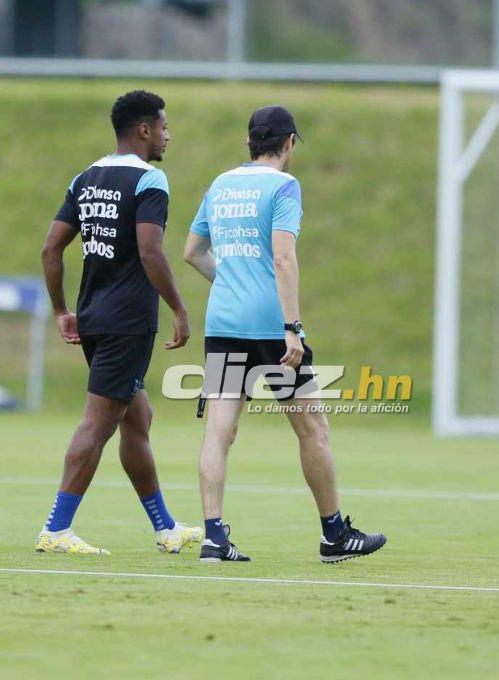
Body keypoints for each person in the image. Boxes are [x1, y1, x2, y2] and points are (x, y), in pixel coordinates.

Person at [183, 105, 387, 563]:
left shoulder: (221, 184)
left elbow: (193, 253)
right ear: (289, 143)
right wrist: (292, 328)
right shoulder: (284, 186)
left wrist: (231, 283)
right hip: (270, 327)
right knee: (312, 428)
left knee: (219, 432)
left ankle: (214, 537)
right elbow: (283, 259)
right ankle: (334, 535)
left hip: (223, 323)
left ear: (248, 143)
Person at [36, 90, 202, 555]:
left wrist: (61, 310)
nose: (169, 135)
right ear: (145, 130)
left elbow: (51, 248)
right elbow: (150, 250)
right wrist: (179, 308)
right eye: (164, 127)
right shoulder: (151, 180)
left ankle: (166, 528)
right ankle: (56, 528)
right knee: (98, 424)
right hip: (128, 322)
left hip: (92, 317)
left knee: (138, 418)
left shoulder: (86, 177)